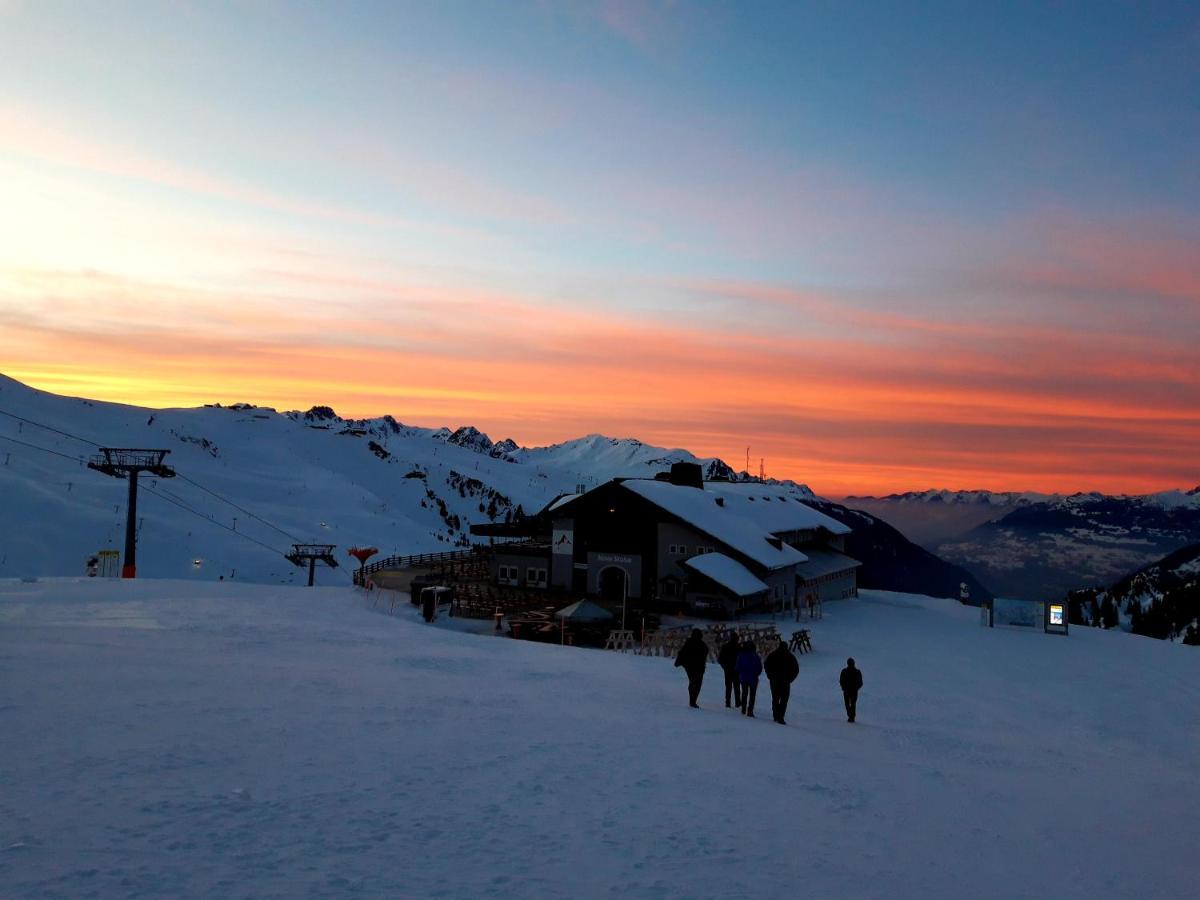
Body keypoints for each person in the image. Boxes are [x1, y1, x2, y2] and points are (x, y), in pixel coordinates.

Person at [764, 638, 800, 724]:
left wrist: (769, 675)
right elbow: (796, 669)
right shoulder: (790, 656)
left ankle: (775, 715)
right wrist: (790, 679)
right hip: (785, 681)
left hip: (774, 680)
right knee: (784, 700)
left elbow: (766, 665)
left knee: (775, 698)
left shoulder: (772, 655)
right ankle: (781, 717)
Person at [674, 628, 708, 708]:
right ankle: (693, 701)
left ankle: (692, 700)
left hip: (693, 667)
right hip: (695, 667)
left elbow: (682, 652)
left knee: (694, 683)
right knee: (696, 683)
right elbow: (682, 652)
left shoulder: (692, 643)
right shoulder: (697, 643)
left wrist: (680, 662)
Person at [736, 640, 763, 717]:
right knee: (752, 695)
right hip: (753, 678)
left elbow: (737, 667)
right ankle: (750, 711)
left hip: (743, 677)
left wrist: (741, 672)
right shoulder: (756, 656)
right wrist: (756, 674)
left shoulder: (740, 655)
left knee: (744, 693)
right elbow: (759, 667)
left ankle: (743, 709)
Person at [717, 631, 743, 708]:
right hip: (736, 670)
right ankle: (737, 702)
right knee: (737, 686)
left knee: (728, 686)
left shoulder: (725, 646)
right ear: (737, 639)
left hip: (728, 669)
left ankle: (728, 702)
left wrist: (724, 666)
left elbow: (720, 659)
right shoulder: (739, 647)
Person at [840, 657, 863, 722]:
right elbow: (841, 680)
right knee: (850, 704)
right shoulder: (845, 671)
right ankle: (851, 716)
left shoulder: (856, 672)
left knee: (850, 704)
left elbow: (860, 682)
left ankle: (851, 717)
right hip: (849, 691)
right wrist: (844, 687)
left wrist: (855, 688)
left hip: (851, 691)